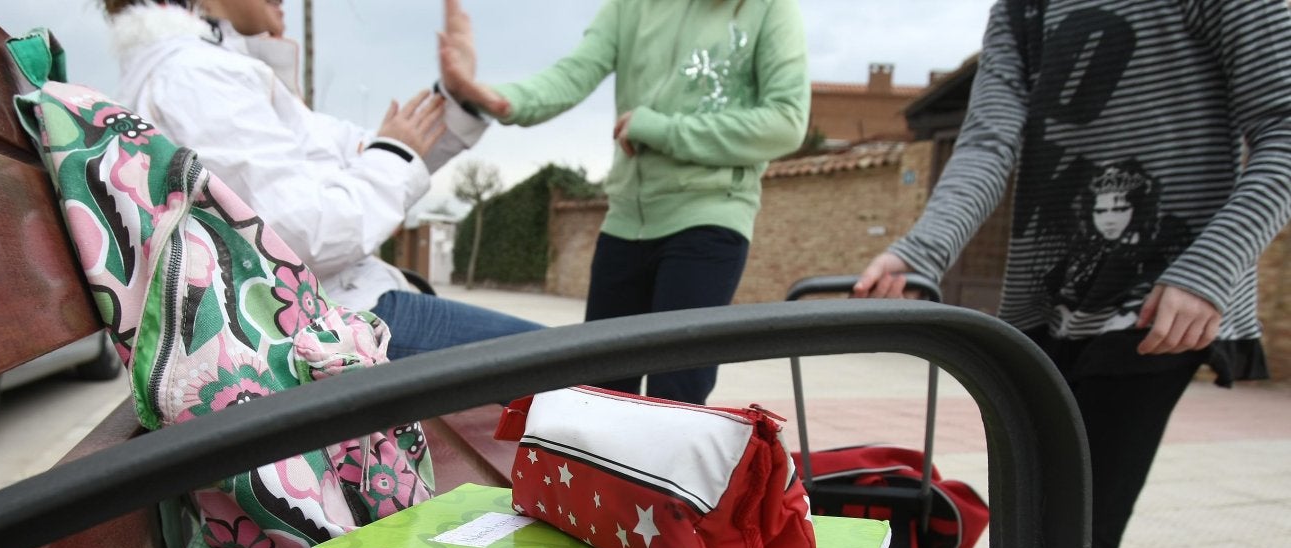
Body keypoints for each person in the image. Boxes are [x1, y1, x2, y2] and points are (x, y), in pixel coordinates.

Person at [853, 0, 1291, 548]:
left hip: (1167, 296)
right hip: (1048, 302)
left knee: (1078, 537)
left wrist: (1212, 269)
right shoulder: (1021, 7)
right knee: (1042, 522)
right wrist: (922, 252)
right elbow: (989, 140)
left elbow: (1285, 127)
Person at [103, 0, 543, 359]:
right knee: (596, 366)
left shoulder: (211, 70)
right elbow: (303, 235)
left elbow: (368, 153)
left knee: (591, 363)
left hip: (328, 319)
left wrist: (454, 101)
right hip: (328, 334)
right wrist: (392, 152)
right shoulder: (197, 78)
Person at [440, 0, 810, 404]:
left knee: (677, 397)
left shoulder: (771, 8)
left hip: (711, 217)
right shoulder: (629, 6)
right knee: (600, 392)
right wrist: (495, 99)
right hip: (624, 222)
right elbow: (572, 73)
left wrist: (661, 129)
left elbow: (785, 122)